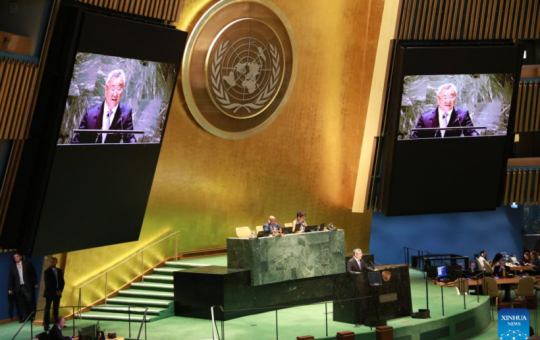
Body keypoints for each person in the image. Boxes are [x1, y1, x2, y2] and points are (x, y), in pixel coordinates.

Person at [72, 69, 136, 144]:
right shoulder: (90, 113)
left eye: (119, 89)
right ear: (106, 89)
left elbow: (130, 138)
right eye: (112, 89)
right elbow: (77, 141)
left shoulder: (126, 113)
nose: (115, 94)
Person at [411, 83, 479, 139]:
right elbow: (415, 138)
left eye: (451, 97)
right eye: (445, 97)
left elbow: (471, 132)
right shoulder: (425, 118)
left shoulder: (463, 115)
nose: (448, 101)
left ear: (455, 99)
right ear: (438, 99)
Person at [8, 251, 38, 322]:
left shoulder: (27, 264)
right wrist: (10, 289)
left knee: (30, 302)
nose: (15, 258)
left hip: (27, 286)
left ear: (20, 256)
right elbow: (11, 278)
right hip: (18, 288)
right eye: (14, 257)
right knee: (20, 303)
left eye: (17, 256)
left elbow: (33, 274)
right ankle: (24, 317)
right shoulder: (12, 267)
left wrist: (35, 283)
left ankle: (32, 316)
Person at [43, 257, 65, 331]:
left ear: (57, 262)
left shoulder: (59, 271)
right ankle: (46, 325)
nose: (53, 263)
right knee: (47, 309)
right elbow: (47, 284)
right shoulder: (47, 272)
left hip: (58, 294)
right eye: (51, 262)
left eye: (54, 262)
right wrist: (55, 291)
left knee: (56, 309)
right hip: (49, 293)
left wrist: (60, 290)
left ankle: (57, 324)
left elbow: (62, 282)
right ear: (50, 263)